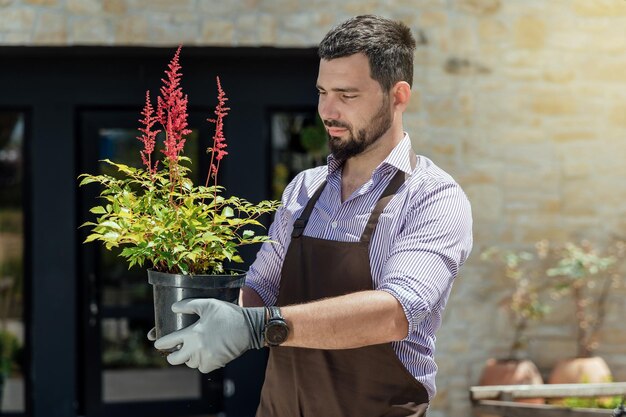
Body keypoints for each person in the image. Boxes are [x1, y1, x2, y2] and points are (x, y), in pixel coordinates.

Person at [154, 14, 473, 417]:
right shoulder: (305, 189)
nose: (327, 110)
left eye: (347, 95)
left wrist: (255, 327)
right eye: (322, 91)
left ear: (399, 95)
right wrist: (205, 314)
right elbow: (263, 288)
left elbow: (393, 313)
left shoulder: (432, 197)